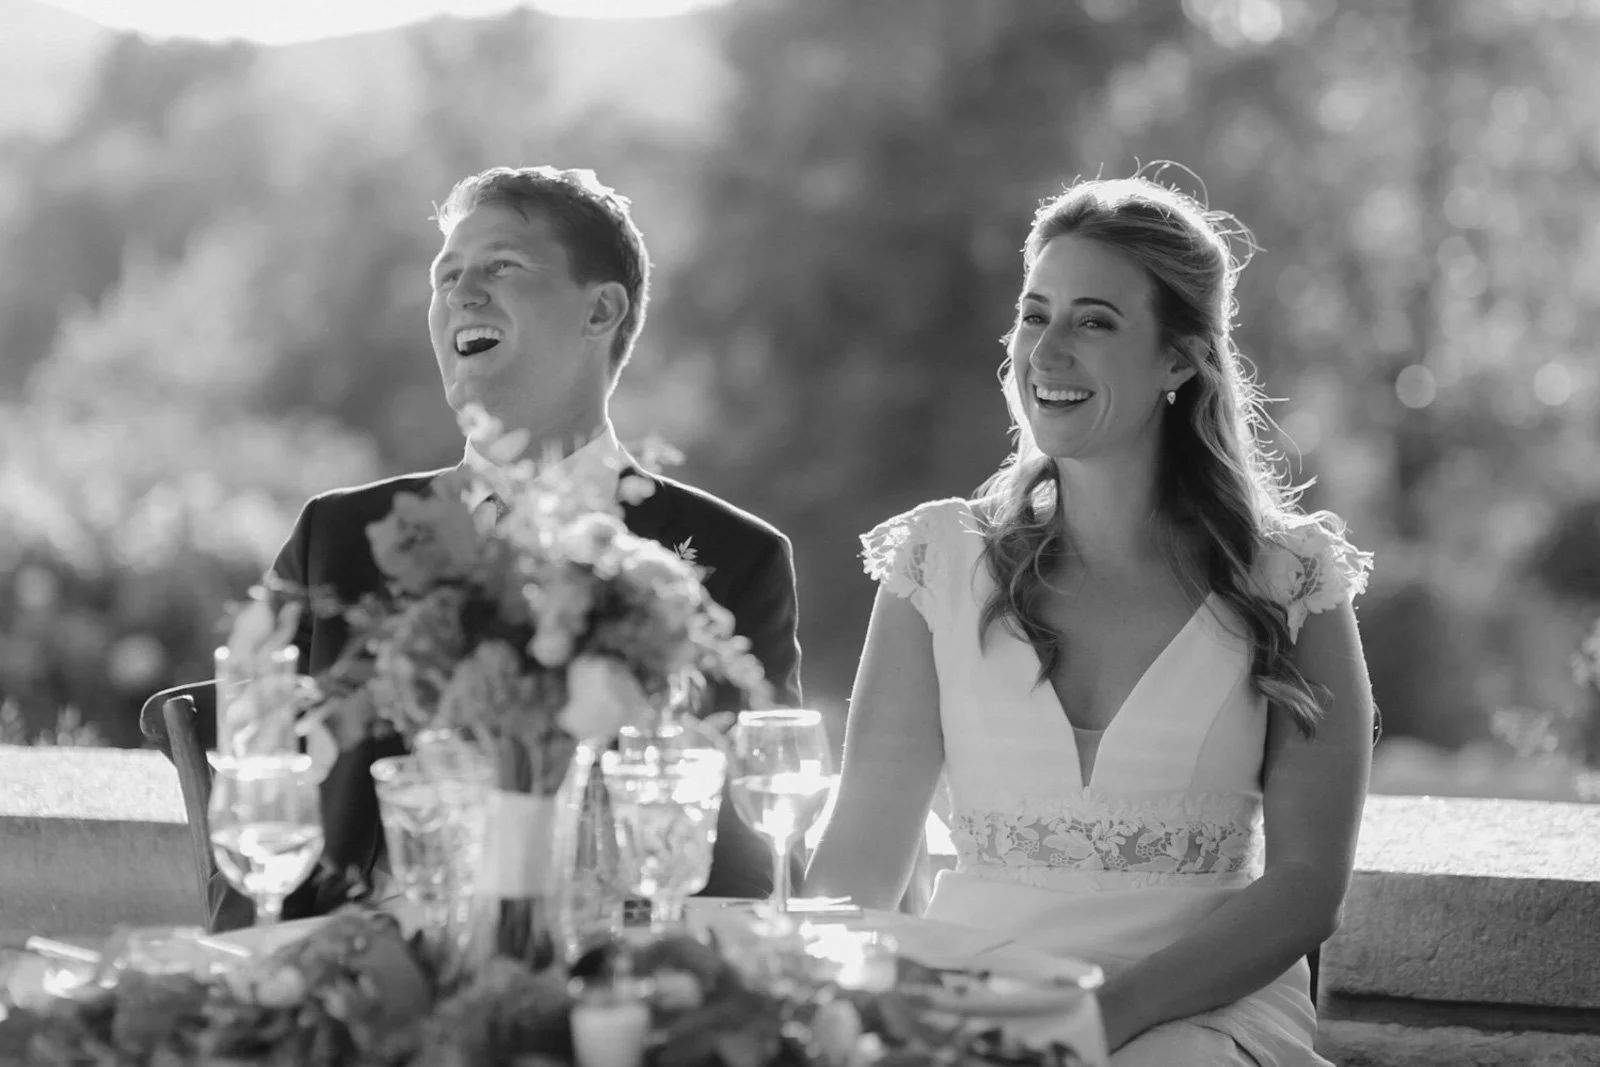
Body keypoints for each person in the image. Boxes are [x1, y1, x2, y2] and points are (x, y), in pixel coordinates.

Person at [804, 175, 1374, 1066]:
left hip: (1199, 1015)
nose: (1048, 351)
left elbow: (1307, 889)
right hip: (975, 1000)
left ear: (1180, 359)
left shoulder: (1290, 578)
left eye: (1095, 321)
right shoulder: (938, 564)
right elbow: (860, 857)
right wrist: (815, 1013)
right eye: (1036, 314)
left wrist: (1100, 1020)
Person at [143, 165, 803, 928]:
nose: (462, 293)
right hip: (371, 982)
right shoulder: (342, 537)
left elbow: (746, 864)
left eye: (500, 267)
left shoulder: (734, 557)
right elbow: (264, 806)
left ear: (602, 309)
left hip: (624, 982)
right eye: (446, 275)